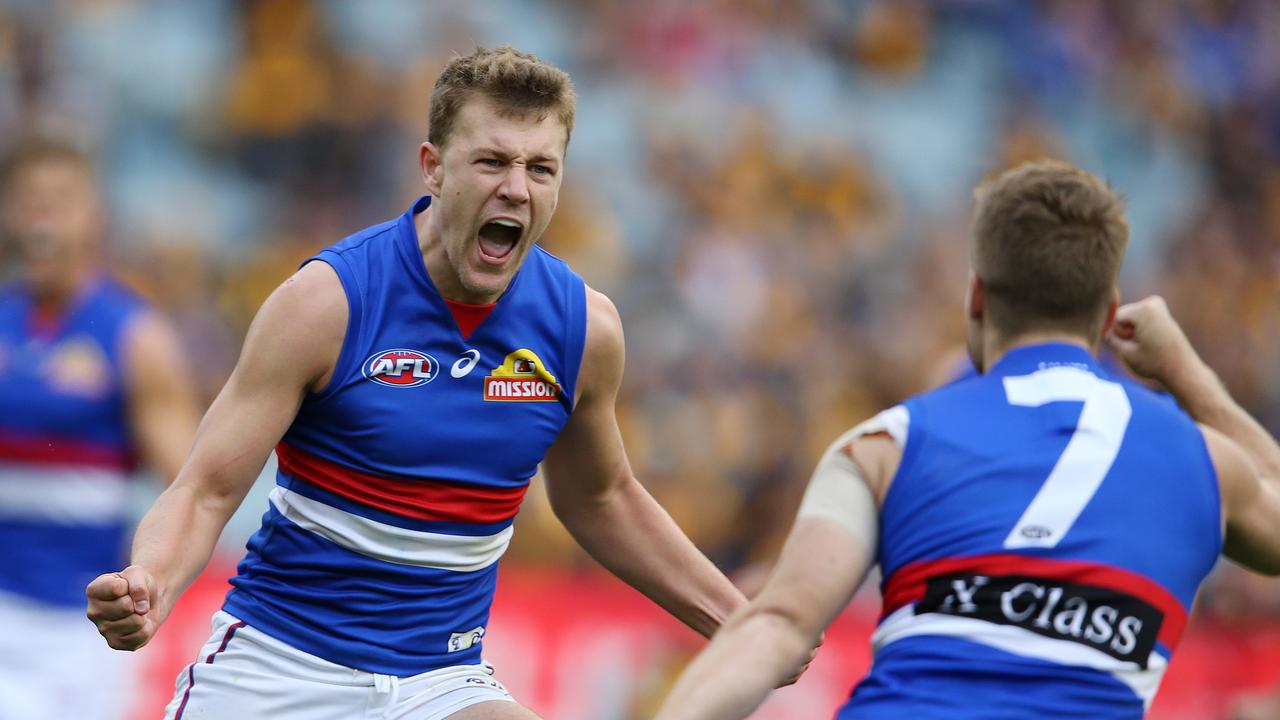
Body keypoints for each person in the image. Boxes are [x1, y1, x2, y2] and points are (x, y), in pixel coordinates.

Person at [86, 45, 757, 720]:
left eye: (540, 168)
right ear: (433, 168)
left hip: (439, 680)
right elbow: (205, 489)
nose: (517, 188)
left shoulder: (583, 330)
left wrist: (745, 624)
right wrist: (152, 583)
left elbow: (603, 498)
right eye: (493, 161)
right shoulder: (328, 303)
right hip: (279, 668)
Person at [654, 159, 1280, 719]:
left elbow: (779, 625)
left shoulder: (885, 444)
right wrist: (1187, 374)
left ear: (977, 297)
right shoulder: (1206, 462)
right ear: (1111, 309)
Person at [0, 138, 198, 720]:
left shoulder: (135, 336)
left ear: (94, 218)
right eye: (27, 201)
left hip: (79, 633)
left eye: (58, 201)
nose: (41, 217)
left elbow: (187, 486)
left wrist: (149, 587)